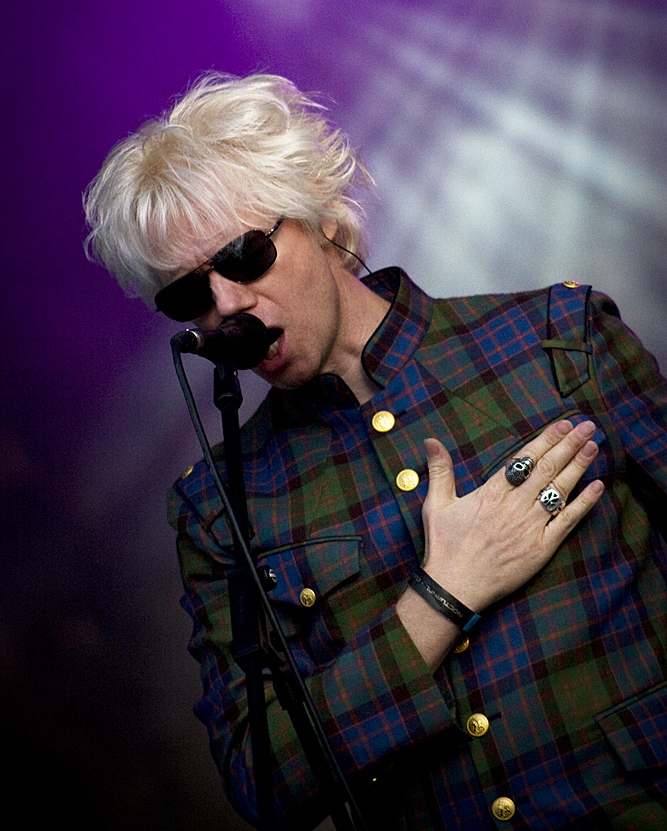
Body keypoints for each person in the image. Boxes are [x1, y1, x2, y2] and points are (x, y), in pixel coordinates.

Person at [84, 73, 667, 831]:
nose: (226, 305)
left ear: (322, 218)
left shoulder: (559, 340)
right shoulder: (219, 507)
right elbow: (265, 784)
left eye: (245, 255)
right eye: (188, 296)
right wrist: (442, 595)